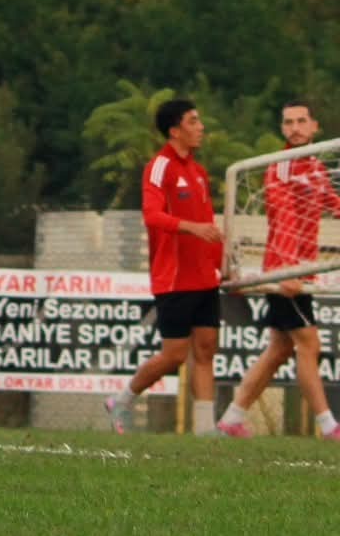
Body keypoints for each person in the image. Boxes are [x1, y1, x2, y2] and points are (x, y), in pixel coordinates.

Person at [218, 100, 340, 440]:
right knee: (309, 345)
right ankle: (329, 426)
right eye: (288, 123)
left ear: (315, 126)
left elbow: (335, 205)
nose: (295, 128)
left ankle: (231, 418)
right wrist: (286, 273)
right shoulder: (282, 167)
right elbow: (284, 218)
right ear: (282, 128)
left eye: (301, 121)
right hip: (285, 274)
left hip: (301, 272)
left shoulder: (316, 167)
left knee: (279, 350)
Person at [106, 97, 225, 436]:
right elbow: (152, 215)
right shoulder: (160, 166)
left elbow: (209, 226)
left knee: (206, 348)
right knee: (174, 356)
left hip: (205, 278)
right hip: (174, 279)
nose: (200, 127)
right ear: (174, 131)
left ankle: (206, 430)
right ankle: (122, 399)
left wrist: (220, 264)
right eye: (193, 121)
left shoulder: (199, 172)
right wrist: (191, 228)